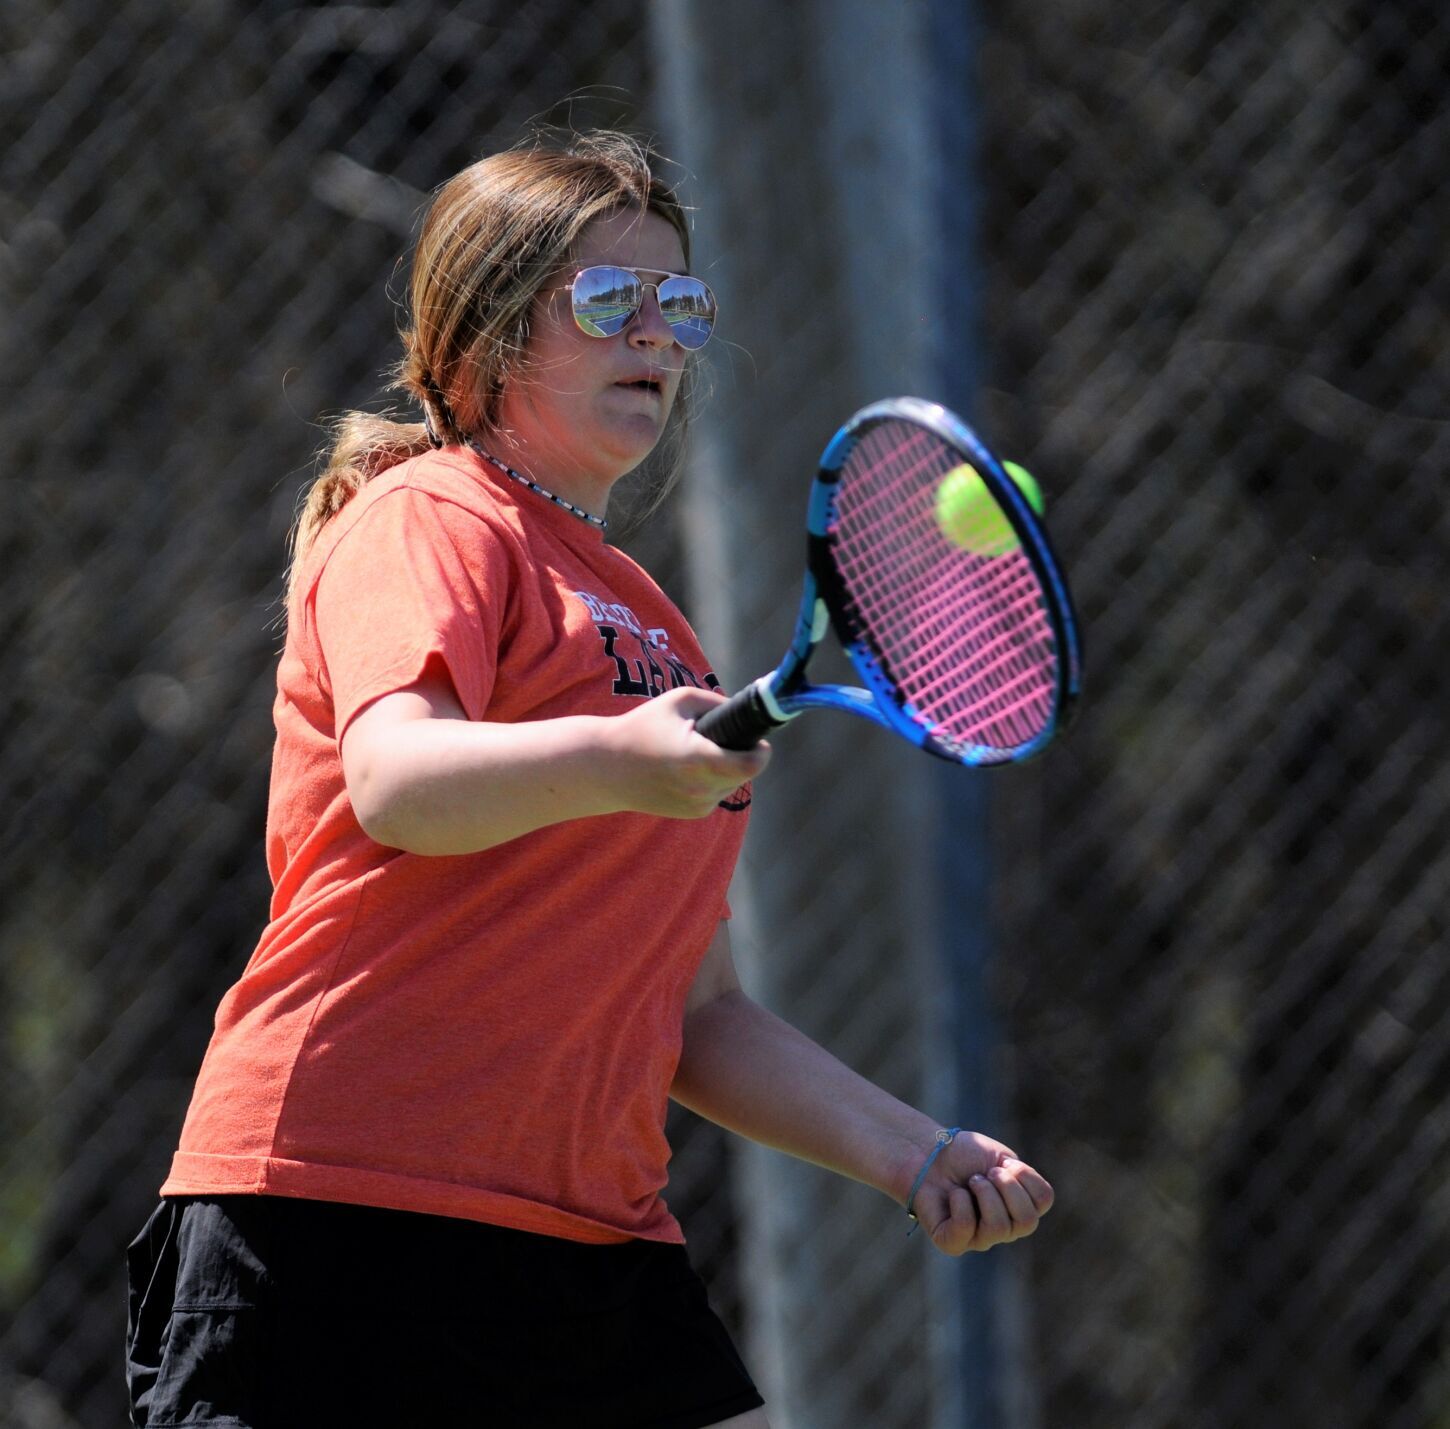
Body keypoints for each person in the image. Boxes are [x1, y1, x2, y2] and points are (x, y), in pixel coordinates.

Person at [125, 130, 1053, 1429]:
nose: (657, 336)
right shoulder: (427, 517)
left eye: (679, 302)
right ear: (485, 337)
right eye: (608, 302)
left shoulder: (657, 629)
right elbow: (398, 777)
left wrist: (915, 1152)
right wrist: (619, 757)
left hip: (589, 1245)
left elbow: (697, 1011)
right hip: (335, 1209)